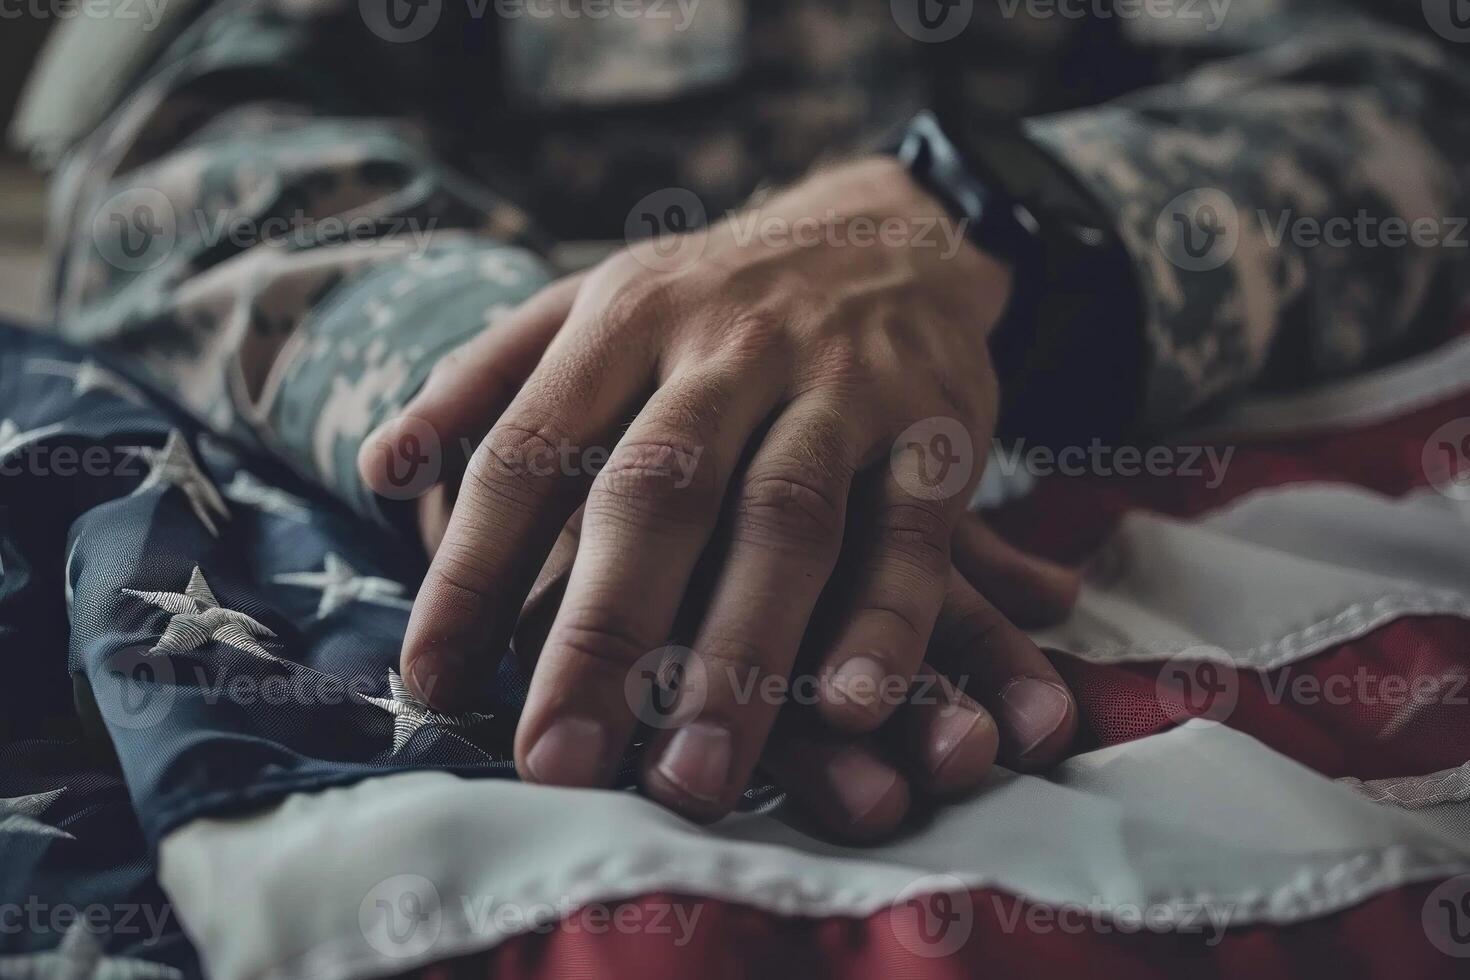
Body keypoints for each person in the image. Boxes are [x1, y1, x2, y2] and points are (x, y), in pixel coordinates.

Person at [32, 0, 1470, 839]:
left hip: (1112, 477)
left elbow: (1405, 98)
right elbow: (192, 147)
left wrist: (976, 218)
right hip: (592, 549)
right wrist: (542, 410)